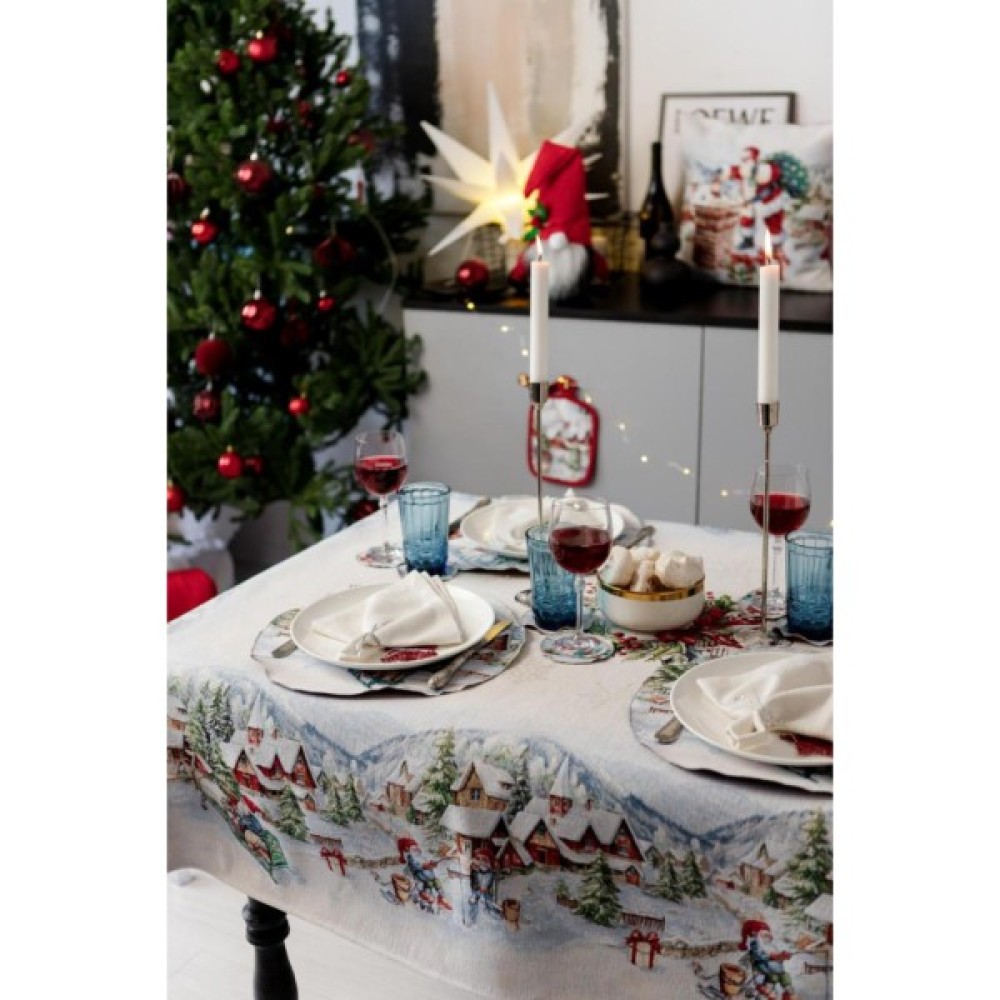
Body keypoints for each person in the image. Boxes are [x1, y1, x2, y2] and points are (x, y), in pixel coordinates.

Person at [740, 918, 797, 1000]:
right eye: (765, 935)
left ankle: (789, 993)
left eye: (768, 934)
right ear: (755, 934)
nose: (769, 936)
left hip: (775, 971)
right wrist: (775, 956)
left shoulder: (768, 944)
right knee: (771, 985)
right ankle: (769, 993)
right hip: (764, 972)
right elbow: (760, 955)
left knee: (785, 978)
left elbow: (776, 955)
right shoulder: (755, 943)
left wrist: (783, 956)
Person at [397, 837, 452, 913]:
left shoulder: (420, 856)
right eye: (413, 847)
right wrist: (425, 866)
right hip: (418, 876)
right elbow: (415, 867)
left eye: (416, 847)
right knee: (426, 886)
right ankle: (428, 900)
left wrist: (430, 864)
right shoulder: (410, 857)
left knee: (435, 881)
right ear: (407, 849)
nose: (416, 848)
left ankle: (441, 897)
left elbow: (427, 863)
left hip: (427, 877)